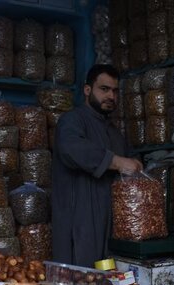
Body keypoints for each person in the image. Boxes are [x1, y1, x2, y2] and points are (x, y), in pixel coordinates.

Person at [51, 64, 143, 266]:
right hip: (79, 222)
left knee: (105, 281)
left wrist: (136, 163)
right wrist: (116, 162)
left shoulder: (114, 132)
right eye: (104, 89)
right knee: (78, 282)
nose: (111, 96)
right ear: (87, 90)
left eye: (115, 91)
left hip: (108, 223)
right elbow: (71, 149)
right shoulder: (72, 120)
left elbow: (132, 159)